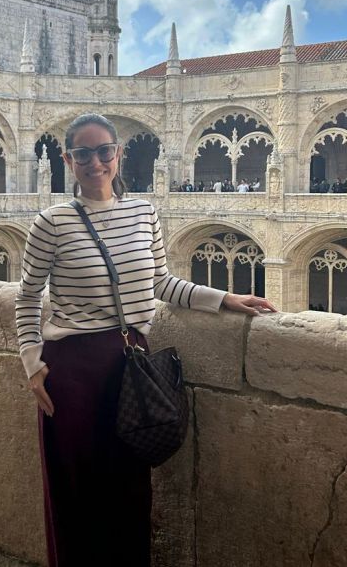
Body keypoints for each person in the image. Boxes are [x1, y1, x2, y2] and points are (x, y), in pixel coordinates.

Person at [16, 113, 276, 567]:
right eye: (83, 153)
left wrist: (225, 299)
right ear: (67, 160)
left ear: (118, 155)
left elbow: (160, 283)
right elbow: (27, 297)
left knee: (130, 487)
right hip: (74, 370)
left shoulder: (144, 213)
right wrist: (31, 363)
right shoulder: (51, 222)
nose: (94, 161)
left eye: (103, 151)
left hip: (131, 363)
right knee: (77, 489)